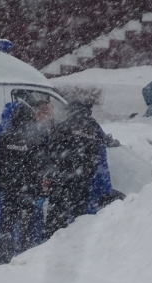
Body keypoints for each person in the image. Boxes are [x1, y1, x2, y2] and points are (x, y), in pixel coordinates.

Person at [0, 102, 49, 264]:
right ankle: (27, 256)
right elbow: (46, 162)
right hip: (29, 191)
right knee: (29, 225)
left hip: (2, 189)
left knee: (0, 223)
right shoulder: (39, 134)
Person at [44, 101, 108, 237]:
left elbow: (52, 152)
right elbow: (103, 148)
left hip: (62, 181)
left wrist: (50, 175)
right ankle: (74, 242)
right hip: (83, 183)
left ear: (72, 111)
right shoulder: (94, 128)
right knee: (79, 221)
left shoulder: (65, 126)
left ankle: (52, 242)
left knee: (56, 220)